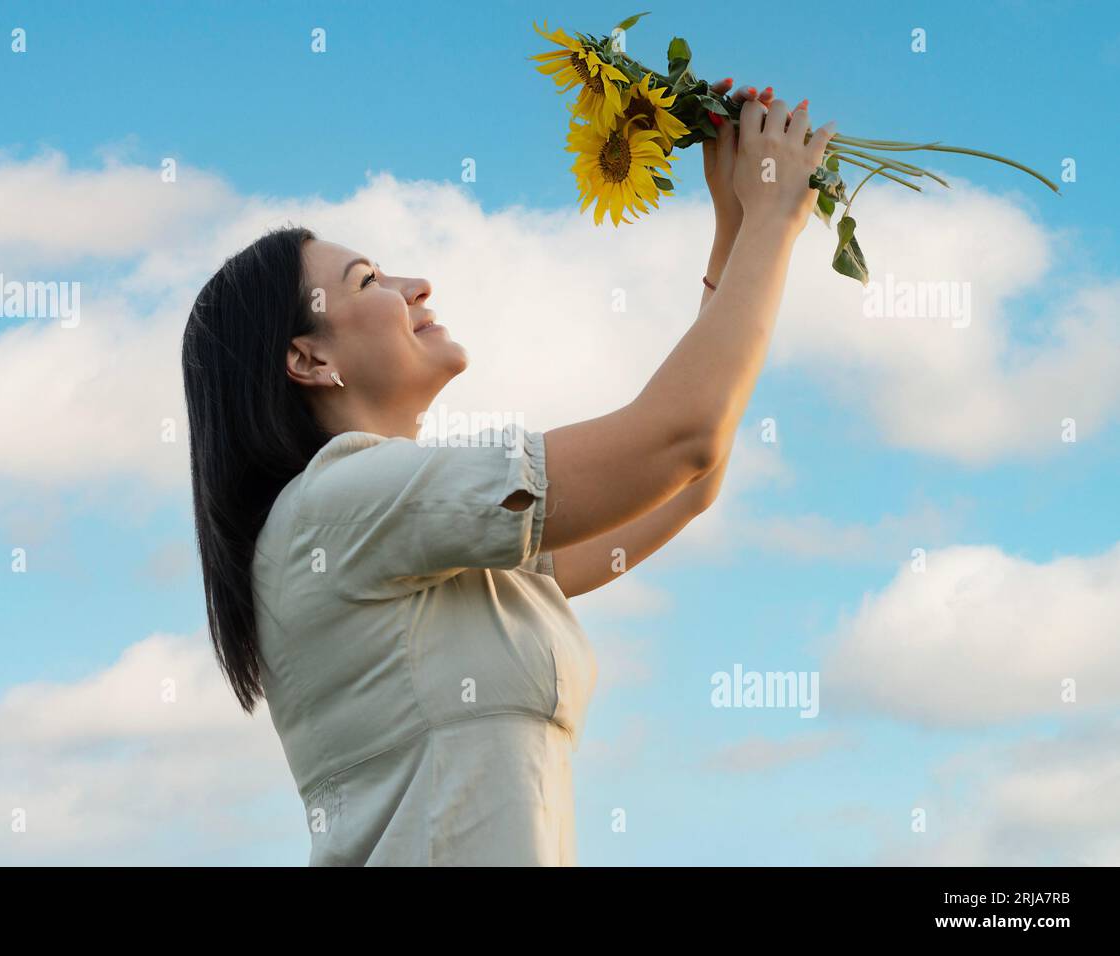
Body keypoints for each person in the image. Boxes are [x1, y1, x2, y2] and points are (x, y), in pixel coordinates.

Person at [181, 84, 835, 865]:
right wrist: (771, 221)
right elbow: (678, 443)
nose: (414, 287)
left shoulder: (424, 536)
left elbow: (688, 479)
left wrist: (732, 230)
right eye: (368, 282)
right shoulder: (339, 504)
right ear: (308, 358)